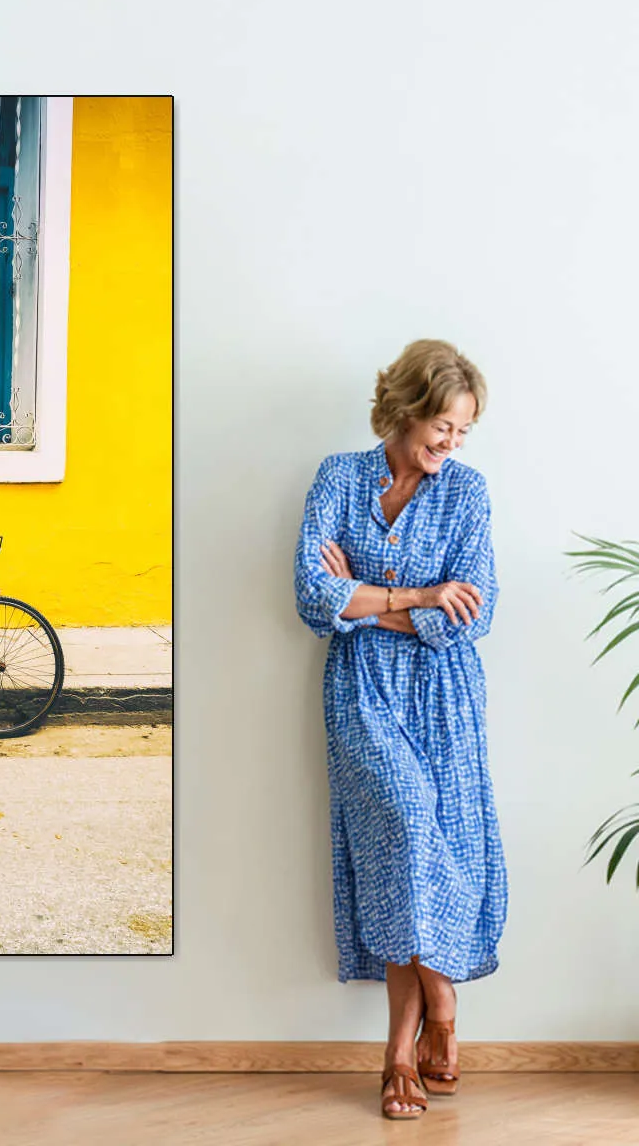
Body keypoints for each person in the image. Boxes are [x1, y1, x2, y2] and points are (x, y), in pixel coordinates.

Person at [293, 339, 508, 1121]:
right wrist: (418, 593)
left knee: (407, 860)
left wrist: (368, 595)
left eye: (463, 433)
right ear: (406, 407)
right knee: (410, 831)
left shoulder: (469, 494)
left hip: (447, 700)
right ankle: (444, 1004)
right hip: (362, 697)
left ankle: (397, 1058)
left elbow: (471, 616)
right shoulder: (339, 478)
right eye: (443, 427)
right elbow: (314, 599)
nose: (451, 446)